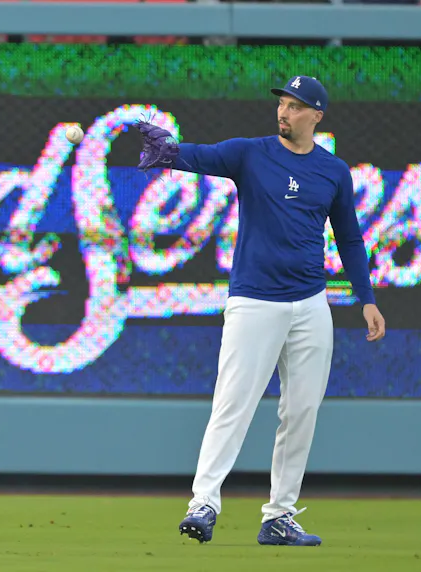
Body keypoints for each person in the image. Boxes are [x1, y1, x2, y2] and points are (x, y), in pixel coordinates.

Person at [135, 76, 387, 547]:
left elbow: (350, 238)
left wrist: (366, 297)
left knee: (303, 409)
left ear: (317, 115)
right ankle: (203, 503)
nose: (284, 113)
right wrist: (168, 151)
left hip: (311, 303)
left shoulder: (333, 171)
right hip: (254, 300)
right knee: (233, 403)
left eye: (295, 107)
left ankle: (279, 517)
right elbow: (200, 156)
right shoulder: (251, 153)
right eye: (282, 105)